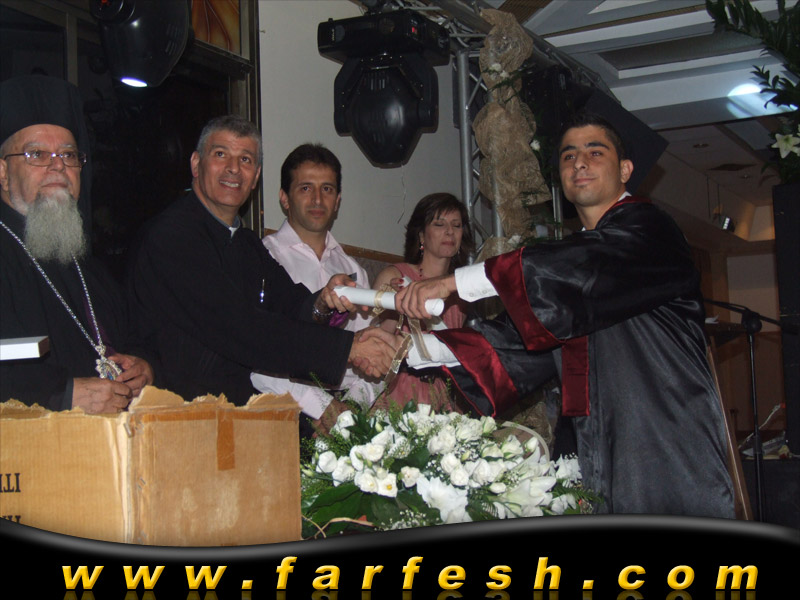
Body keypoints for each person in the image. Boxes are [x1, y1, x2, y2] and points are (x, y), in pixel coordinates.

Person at [394, 112, 736, 517]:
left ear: (626, 170)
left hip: (662, 438)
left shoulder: (650, 230)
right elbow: (515, 344)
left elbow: (581, 266)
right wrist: (411, 349)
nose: (580, 163)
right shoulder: (571, 273)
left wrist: (452, 283)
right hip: (592, 445)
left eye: (595, 152)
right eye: (568, 156)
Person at [128, 115, 398, 408]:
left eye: (245, 159)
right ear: (196, 164)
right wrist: (348, 349)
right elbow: (240, 327)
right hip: (175, 412)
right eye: (221, 154)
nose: (234, 168)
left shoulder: (246, 244)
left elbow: (293, 305)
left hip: (233, 413)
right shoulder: (173, 236)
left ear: (255, 176)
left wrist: (325, 300)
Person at [0, 75, 154, 413]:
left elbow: (139, 337)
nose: (58, 165)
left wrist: (143, 366)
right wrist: (63, 394)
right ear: (3, 172)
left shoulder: (90, 268)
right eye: (37, 154)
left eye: (69, 155)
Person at [251, 143, 380, 422]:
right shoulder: (264, 258)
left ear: (338, 200)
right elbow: (258, 358)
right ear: (285, 198)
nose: (318, 200)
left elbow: (372, 354)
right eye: (306, 188)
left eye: (327, 189)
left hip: (347, 412)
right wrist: (324, 408)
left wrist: (352, 411)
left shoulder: (353, 270)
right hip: (285, 412)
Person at [371, 193, 474, 412]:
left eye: (456, 225)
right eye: (439, 224)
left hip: (443, 396)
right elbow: (375, 344)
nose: (449, 231)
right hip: (399, 391)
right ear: (421, 235)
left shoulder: (462, 291)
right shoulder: (394, 276)